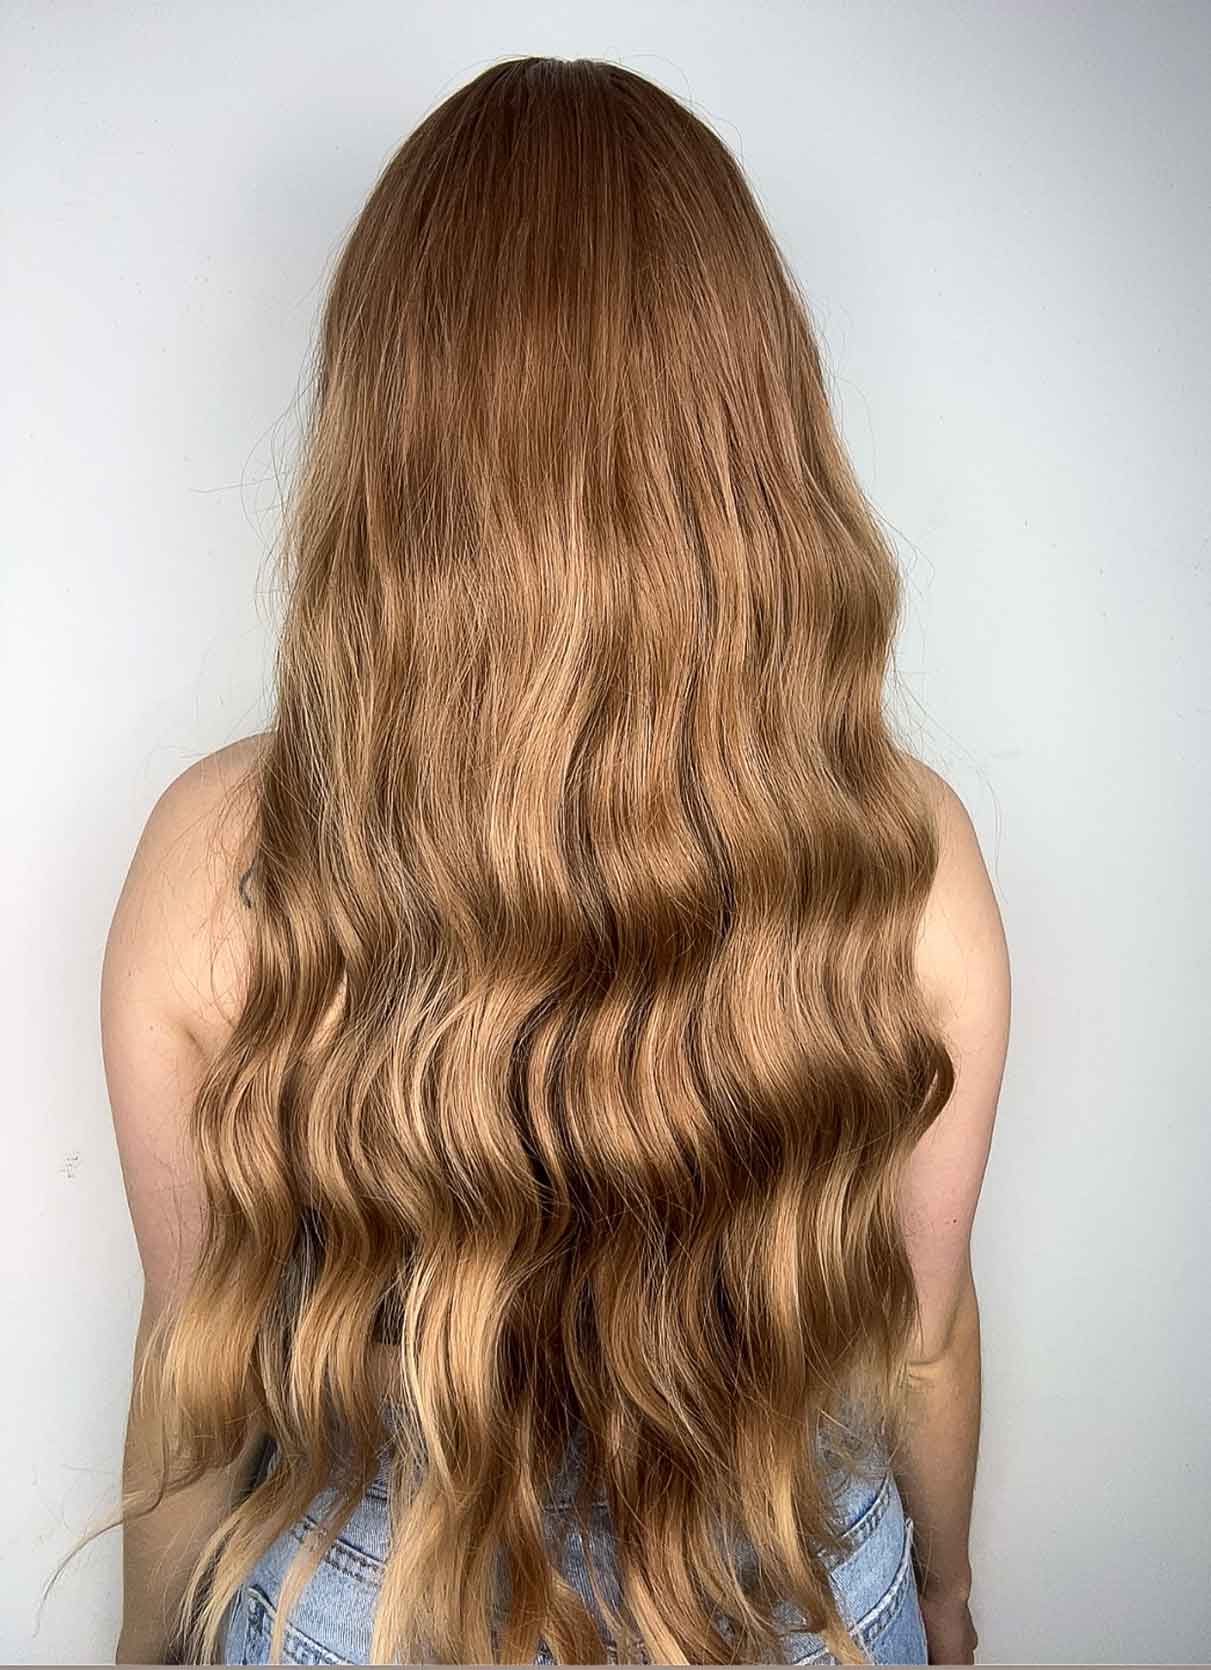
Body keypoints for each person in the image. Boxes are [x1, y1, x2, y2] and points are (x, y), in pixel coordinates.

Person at [102, 55, 1009, 1667]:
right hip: (797, 1599)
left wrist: (144, 1648)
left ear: (388, 434)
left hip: (363, 1613)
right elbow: (922, 1337)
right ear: (748, 430)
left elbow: (195, 1362)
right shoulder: (903, 850)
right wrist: (937, 1592)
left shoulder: (217, 855)